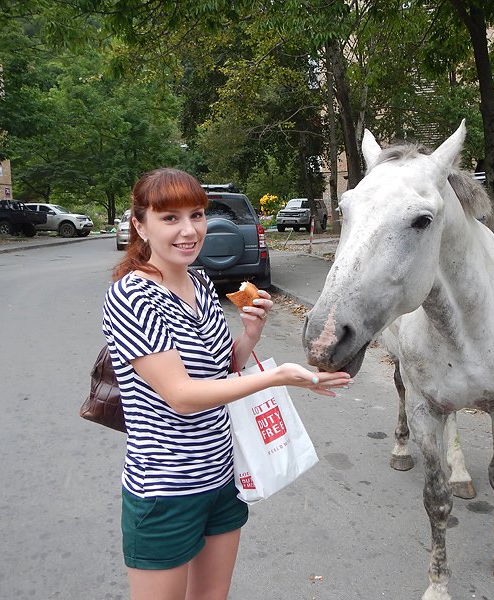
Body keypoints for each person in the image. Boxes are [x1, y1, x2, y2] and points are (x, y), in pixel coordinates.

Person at [102, 168, 352, 600]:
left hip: (221, 477)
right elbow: (182, 396)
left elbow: (221, 369)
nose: (189, 230)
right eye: (170, 218)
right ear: (140, 225)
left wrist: (251, 334)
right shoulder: (131, 296)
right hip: (165, 490)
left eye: (197, 215)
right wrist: (277, 377)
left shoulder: (199, 283)